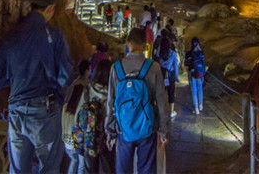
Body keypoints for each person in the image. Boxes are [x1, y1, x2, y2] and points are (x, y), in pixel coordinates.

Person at [0, 0, 73, 173]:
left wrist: (15, 79)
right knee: (49, 167)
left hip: (17, 110)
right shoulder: (54, 35)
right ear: (49, 9)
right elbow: (66, 76)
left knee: (18, 169)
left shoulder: (10, 35)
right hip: (45, 109)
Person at [106, 27, 170, 174]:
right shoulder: (154, 67)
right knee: (146, 169)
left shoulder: (116, 68)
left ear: (128, 43)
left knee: (123, 170)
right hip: (147, 128)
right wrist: (164, 131)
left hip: (123, 128)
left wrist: (110, 131)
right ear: (145, 45)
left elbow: (111, 102)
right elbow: (161, 101)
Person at [73, 60, 114, 173]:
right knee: (109, 169)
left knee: (90, 170)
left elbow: (77, 116)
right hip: (107, 141)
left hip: (89, 140)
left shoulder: (87, 90)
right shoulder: (113, 94)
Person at [63, 60, 91, 174]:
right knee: (80, 164)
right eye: (90, 69)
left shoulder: (72, 85)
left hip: (66, 135)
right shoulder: (85, 87)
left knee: (74, 161)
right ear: (86, 71)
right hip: (77, 134)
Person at [155, 34, 179, 118]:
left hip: (161, 72)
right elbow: (175, 65)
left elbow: (156, 61)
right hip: (170, 74)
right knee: (171, 92)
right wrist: (176, 77)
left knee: (161, 92)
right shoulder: (172, 54)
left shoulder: (159, 50)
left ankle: (160, 109)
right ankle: (172, 111)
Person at [184, 37, 206, 115]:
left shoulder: (189, 53)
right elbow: (203, 63)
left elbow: (186, 63)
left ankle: (196, 109)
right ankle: (201, 105)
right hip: (200, 74)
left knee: (194, 91)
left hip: (192, 73)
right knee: (200, 89)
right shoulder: (201, 53)